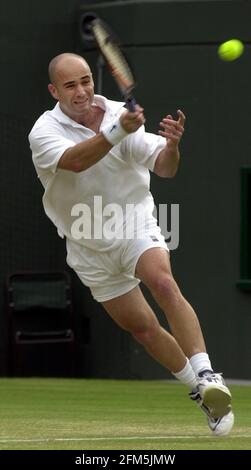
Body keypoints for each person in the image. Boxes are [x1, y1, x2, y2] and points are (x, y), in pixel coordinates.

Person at [29, 52, 234, 436]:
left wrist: (171, 146)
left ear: (94, 80)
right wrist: (118, 132)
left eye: (86, 80)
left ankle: (208, 373)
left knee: (163, 282)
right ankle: (201, 393)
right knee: (143, 328)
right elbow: (75, 162)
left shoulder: (119, 113)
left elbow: (165, 168)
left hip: (135, 223)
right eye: (70, 85)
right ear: (54, 91)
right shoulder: (44, 132)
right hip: (87, 242)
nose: (81, 91)